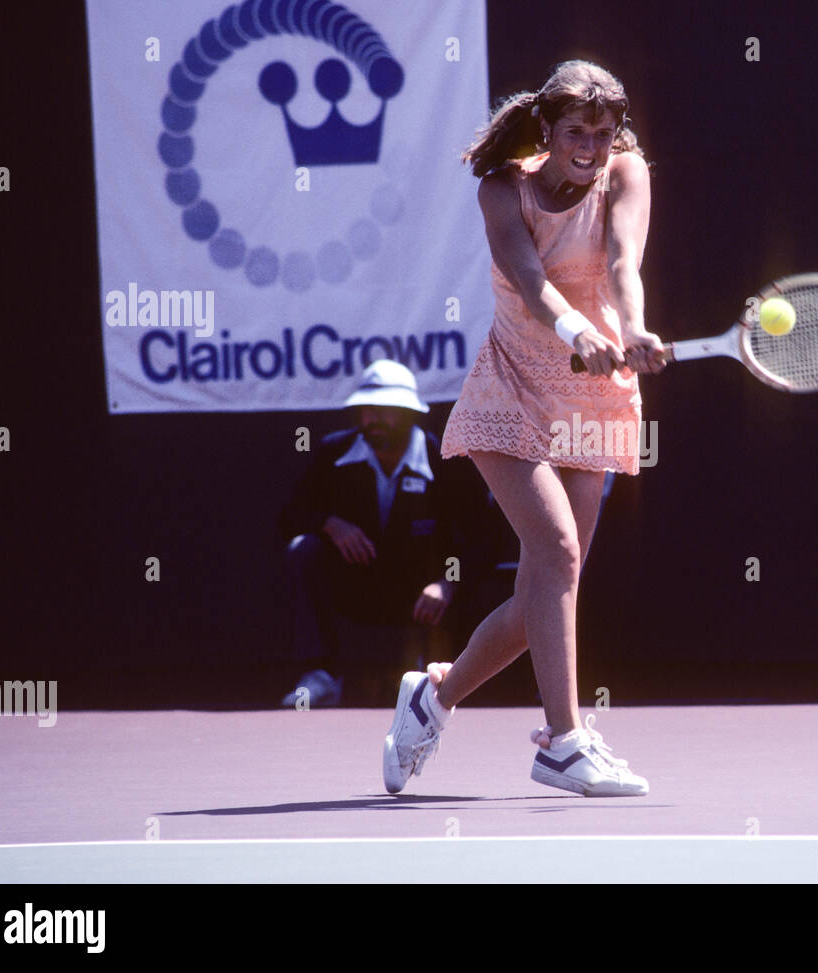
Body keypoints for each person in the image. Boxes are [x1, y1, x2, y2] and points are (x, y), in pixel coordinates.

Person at [382, 60, 665, 797]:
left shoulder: (628, 174)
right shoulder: (502, 188)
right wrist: (577, 329)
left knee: (545, 591)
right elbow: (529, 278)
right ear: (549, 127)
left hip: (594, 395)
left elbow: (623, 260)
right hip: (510, 390)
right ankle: (564, 741)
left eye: (604, 134)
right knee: (558, 554)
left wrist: (631, 327)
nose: (593, 148)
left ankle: (433, 696)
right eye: (578, 132)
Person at [279, 359, 479, 707]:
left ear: (410, 414)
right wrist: (329, 523)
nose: (372, 420)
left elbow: (481, 537)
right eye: (366, 410)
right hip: (356, 586)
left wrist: (448, 582)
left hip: (421, 597)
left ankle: (439, 679)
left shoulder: (443, 459)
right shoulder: (333, 451)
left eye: (385, 411)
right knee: (304, 548)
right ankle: (321, 674)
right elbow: (290, 516)